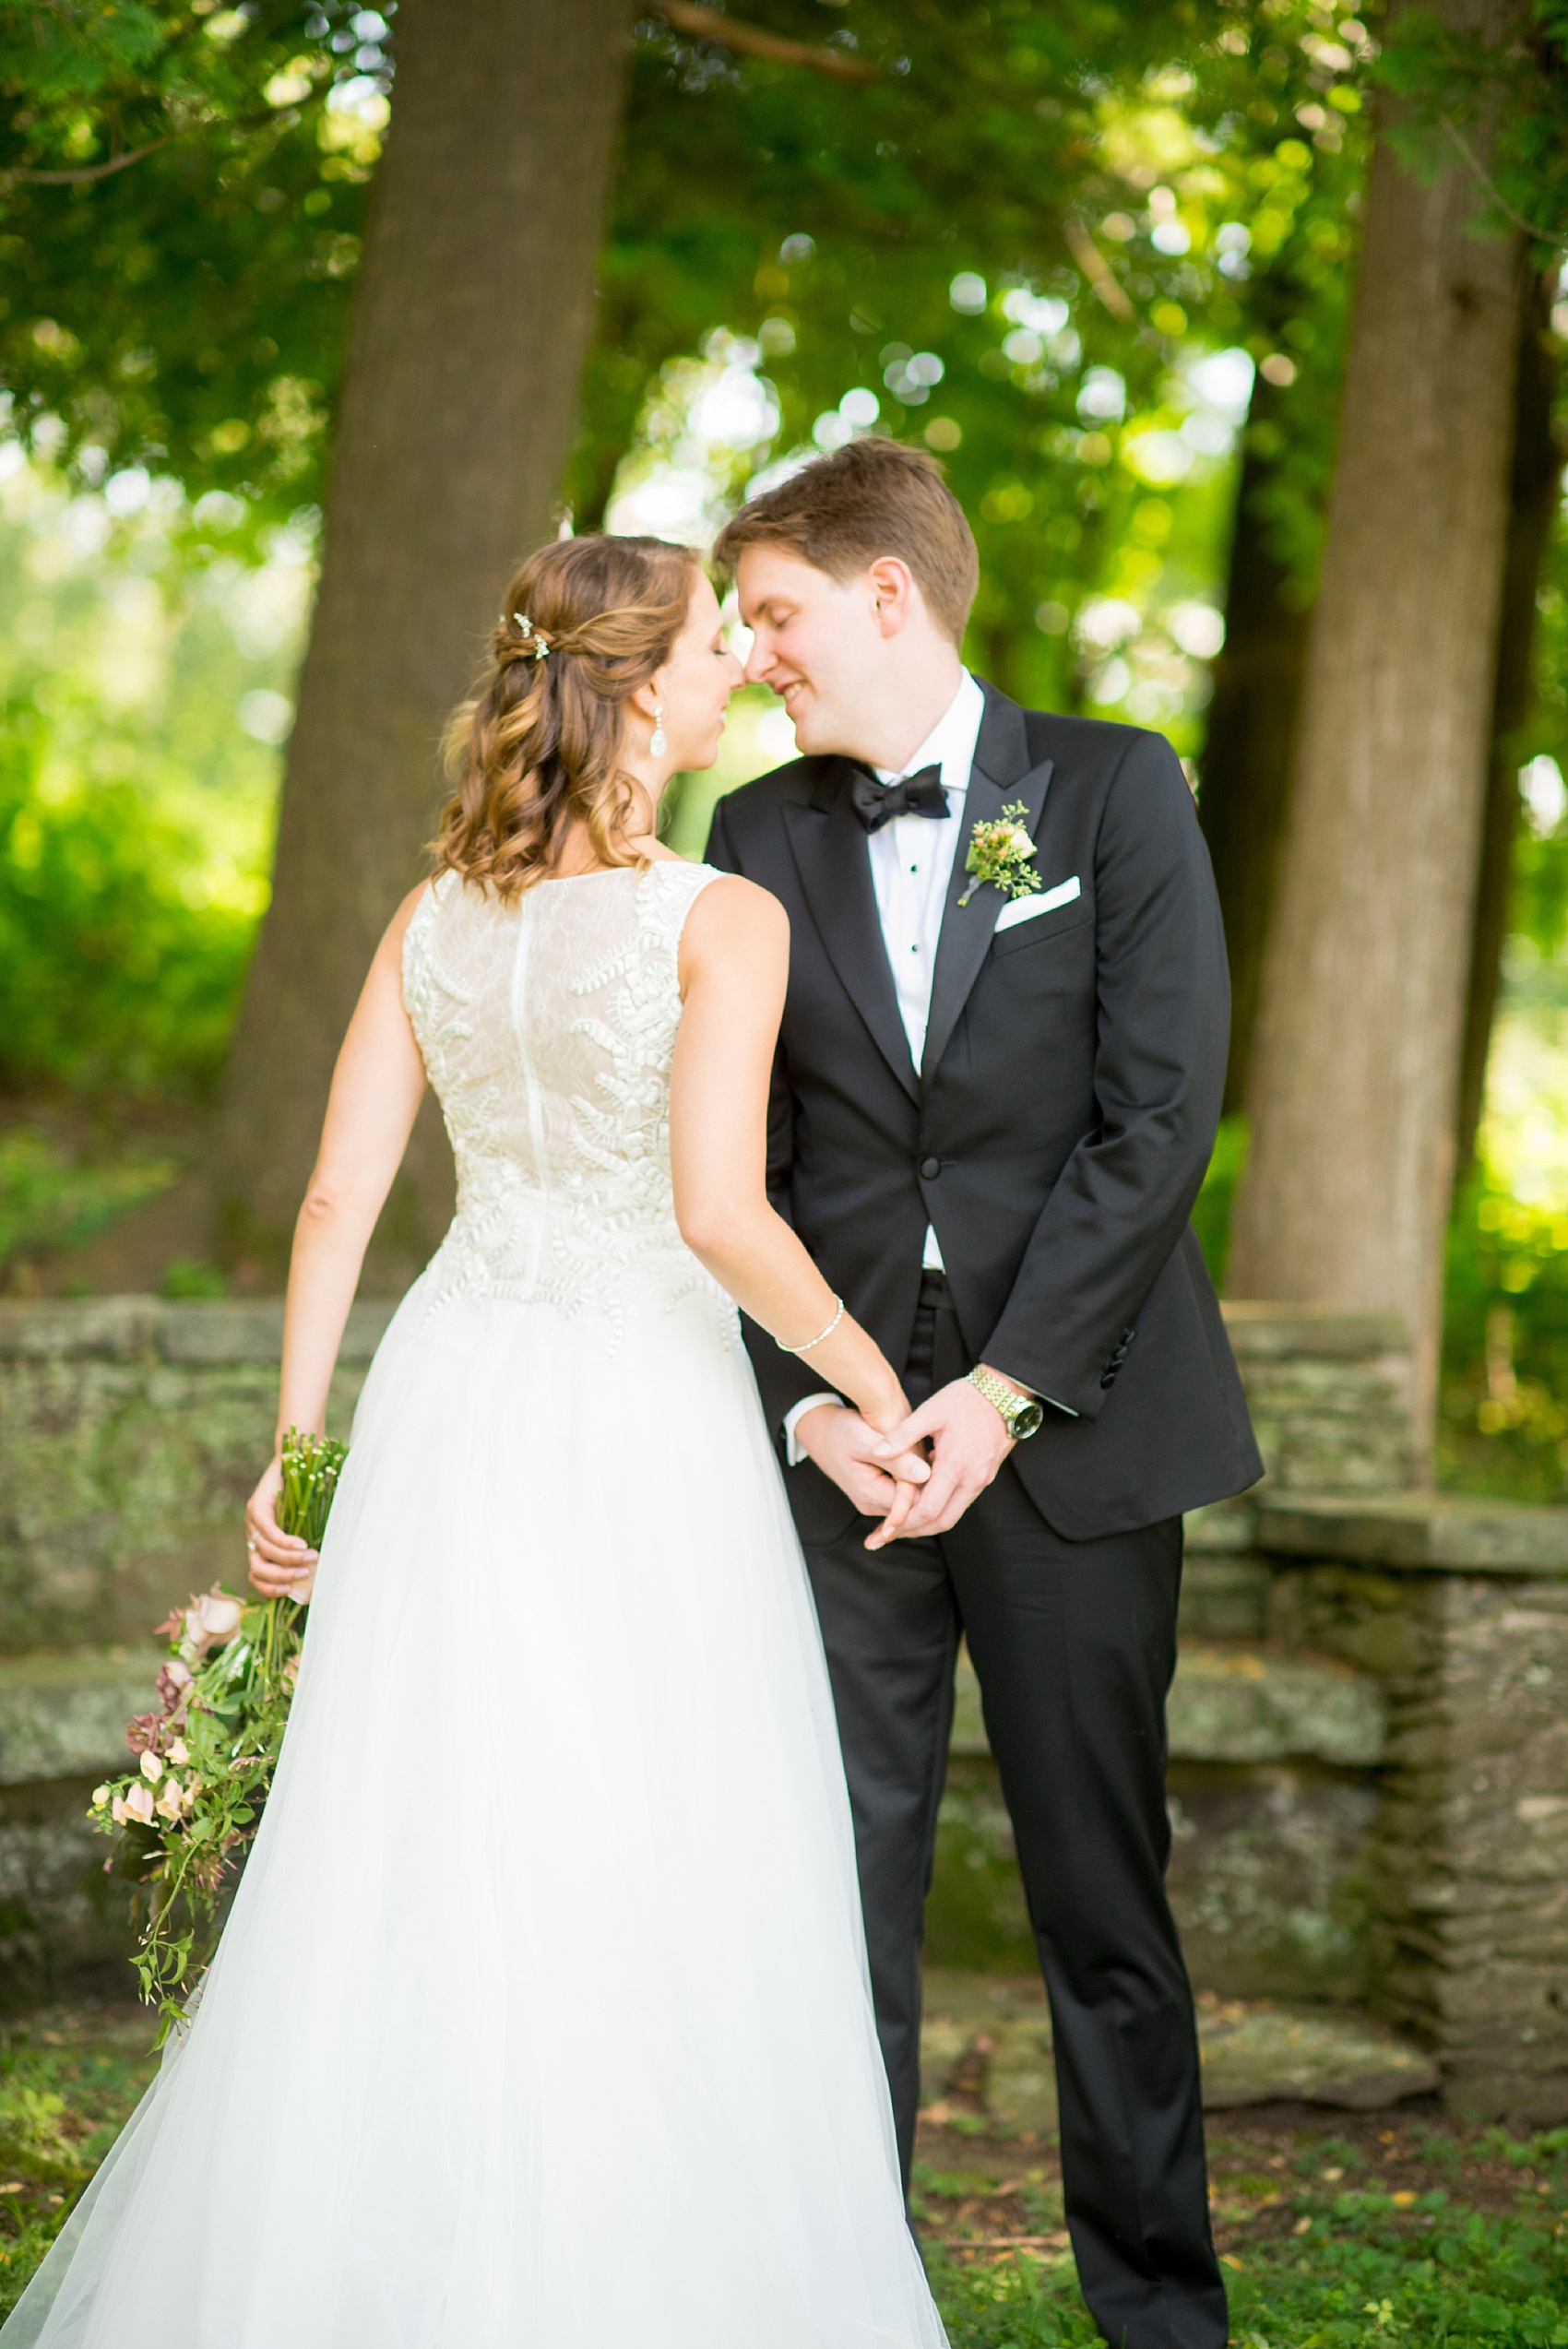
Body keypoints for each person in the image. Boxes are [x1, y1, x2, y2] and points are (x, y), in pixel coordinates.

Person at [3, 535, 948, 2349]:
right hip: (638, 1406)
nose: (742, 669)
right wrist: (868, 1378)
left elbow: (336, 1194)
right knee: (658, 1824)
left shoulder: (433, 911)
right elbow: (721, 1214)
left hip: (453, 1384)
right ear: (639, 684)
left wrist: (298, 1443)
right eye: (712, 646)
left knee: (429, 1823)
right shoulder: (715, 913)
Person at [706, 438, 1264, 2349]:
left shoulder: (1114, 786)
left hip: (1073, 1419)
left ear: (885, 593)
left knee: (1100, 1896)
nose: (753, 651)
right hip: (841, 1437)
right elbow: (742, 1160)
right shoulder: (755, 835)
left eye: (774, 612)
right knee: (834, 1890)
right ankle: (840, 2301)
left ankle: (1158, 2311)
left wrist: (1009, 1382)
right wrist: (815, 1398)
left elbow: (1159, 1112)